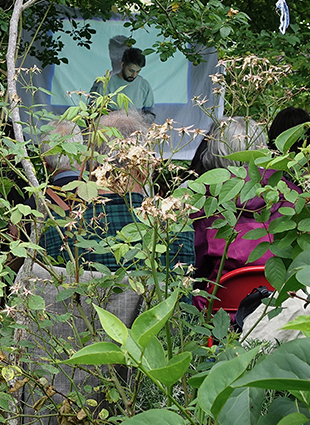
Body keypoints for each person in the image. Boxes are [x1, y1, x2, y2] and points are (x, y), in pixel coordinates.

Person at [40, 111, 194, 273]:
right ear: (142, 167)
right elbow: (183, 296)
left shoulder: (56, 230)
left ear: (88, 167)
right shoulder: (176, 232)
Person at [191, 117, 285, 283]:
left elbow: (192, 266)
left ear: (212, 152)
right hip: (282, 302)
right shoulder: (291, 196)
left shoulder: (204, 205)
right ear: (263, 149)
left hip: (218, 305)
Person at [90, 46, 154, 118]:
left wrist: (138, 122)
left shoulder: (144, 85)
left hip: (137, 128)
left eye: (138, 71)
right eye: (131, 71)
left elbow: (150, 114)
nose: (134, 75)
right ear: (123, 65)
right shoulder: (106, 84)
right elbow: (96, 113)